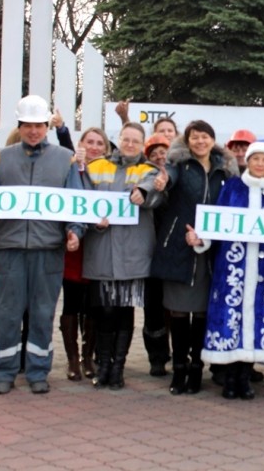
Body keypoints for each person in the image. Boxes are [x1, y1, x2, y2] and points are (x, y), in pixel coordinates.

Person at [0, 95, 84, 395]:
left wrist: (75, 232)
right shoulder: (3, 157)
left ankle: (38, 371)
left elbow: (76, 205)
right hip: (9, 249)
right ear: (19, 126)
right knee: (7, 313)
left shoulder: (65, 159)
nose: (33, 131)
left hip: (48, 250)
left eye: (39, 125)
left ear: (47, 125)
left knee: (42, 312)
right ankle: (3, 372)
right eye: (27, 126)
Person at [186, 141, 264, 399]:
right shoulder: (232, 188)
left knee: (257, 316)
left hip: (263, 269)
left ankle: (245, 378)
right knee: (231, 316)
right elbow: (217, 223)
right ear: (248, 161)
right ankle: (229, 378)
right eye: (255, 158)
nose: (260, 164)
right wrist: (201, 239)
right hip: (232, 267)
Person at [151, 120, 239, 395]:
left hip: (211, 251)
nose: (200, 142)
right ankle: (179, 370)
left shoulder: (225, 170)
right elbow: (168, 180)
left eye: (205, 137)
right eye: (194, 137)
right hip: (179, 246)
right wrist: (162, 182)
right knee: (178, 311)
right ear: (187, 141)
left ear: (213, 140)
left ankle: (196, 369)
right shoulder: (178, 164)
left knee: (201, 312)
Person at [83, 122, 161, 390]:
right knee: (104, 310)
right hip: (102, 250)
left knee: (125, 310)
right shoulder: (97, 167)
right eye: (126, 139)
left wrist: (144, 194)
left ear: (142, 144)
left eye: (135, 141)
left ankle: (118, 368)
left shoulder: (149, 170)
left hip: (132, 254)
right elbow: (80, 200)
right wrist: (94, 221)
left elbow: (157, 193)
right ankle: (103, 365)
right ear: (119, 140)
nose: (129, 144)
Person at [51, 111, 112, 381]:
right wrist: (63, 128)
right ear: (81, 144)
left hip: (98, 245)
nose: (94, 147)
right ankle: (73, 360)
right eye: (90, 141)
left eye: (100, 143)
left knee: (93, 306)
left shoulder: (111, 170)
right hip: (75, 245)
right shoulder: (72, 165)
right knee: (72, 303)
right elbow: (66, 148)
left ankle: (89, 357)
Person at [142, 133, 173, 377]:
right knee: (153, 309)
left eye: (164, 152)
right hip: (149, 252)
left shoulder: (180, 176)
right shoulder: (144, 178)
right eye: (155, 154)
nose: (160, 157)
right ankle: (157, 358)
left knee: (174, 307)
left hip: (173, 252)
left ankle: (176, 353)